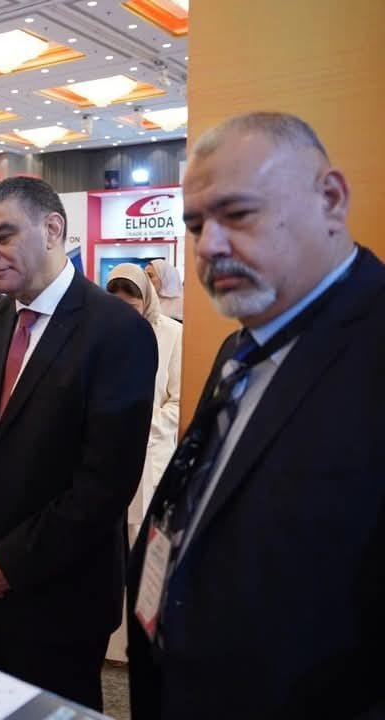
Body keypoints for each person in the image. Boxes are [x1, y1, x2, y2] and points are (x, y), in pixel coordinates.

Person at [127, 113, 385, 719]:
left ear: (331, 199)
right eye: (196, 226)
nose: (209, 247)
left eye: (238, 214)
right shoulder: (240, 349)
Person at [0, 176, 157, 711]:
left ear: (53, 229)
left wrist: (9, 563)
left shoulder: (116, 330)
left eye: (3, 236)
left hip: (61, 595)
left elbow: (105, 484)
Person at [106, 263, 182, 530]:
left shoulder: (172, 333)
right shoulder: (100, 333)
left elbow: (178, 400)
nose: (124, 314)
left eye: (131, 306)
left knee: (143, 534)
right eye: (117, 305)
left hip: (152, 453)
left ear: (146, 301)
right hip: (109, 453)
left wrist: (144, 427)